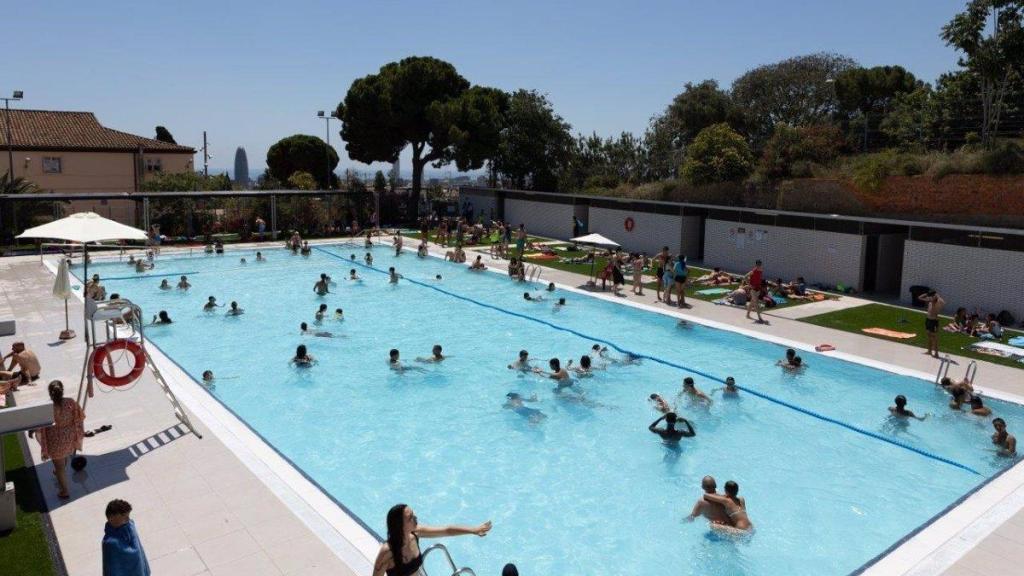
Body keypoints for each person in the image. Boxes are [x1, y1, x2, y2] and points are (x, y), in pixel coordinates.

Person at [371, 503, 491, 576]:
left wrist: (473, 530)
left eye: (413, 514)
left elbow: (446, 530)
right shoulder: (387, 552)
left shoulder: (415, 533)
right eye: (410, 518)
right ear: (400, 526)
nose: (415, 517)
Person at [33, 380, 85, 499]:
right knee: (65, 455)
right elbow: (81, 416)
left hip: (54, 440)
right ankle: (59, 475)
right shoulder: (70, 402)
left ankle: (65, 491)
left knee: (59, 466)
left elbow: (40, 424)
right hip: (69, 436)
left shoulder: (47, 407)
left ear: (50, 393)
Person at [102, 499, 151, 576]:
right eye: (124, 517)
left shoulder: (130, 526)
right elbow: (111, 569)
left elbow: (139, 553)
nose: (128, 519)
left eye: (128, 516)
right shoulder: (110, 543)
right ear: (111, 517)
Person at [918, 289, 945, 358]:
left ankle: (936, 353)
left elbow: (943, 302)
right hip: (928, 320)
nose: (931, 298)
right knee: (929, 336)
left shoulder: (938, 303)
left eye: (933, 296)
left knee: (934, 337)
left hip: (934, 321)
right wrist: (927, 294)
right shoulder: (930, 301)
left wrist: (937, 295)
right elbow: (919, 298)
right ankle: (929, 351)